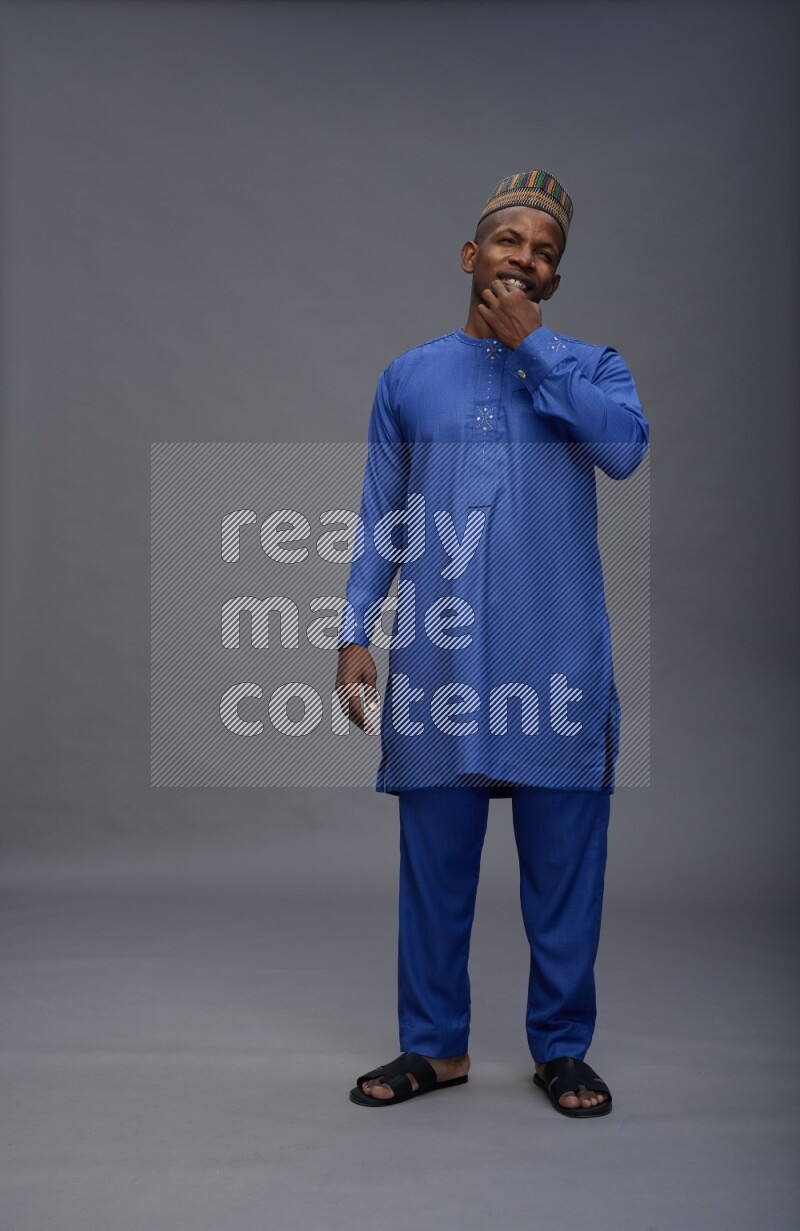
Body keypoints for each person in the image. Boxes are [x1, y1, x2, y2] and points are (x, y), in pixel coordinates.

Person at [334, 169, 649, 1117]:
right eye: (510, 241)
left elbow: (625, 451)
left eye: (545, 251)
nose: (527, 258)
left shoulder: (591, 365)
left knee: (564, 872)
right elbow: (382, 514)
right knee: (433, 869)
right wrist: (355, 629)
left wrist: (536, 352)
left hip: (556, 664)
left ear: (555, 277)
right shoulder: (410, 374)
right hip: (441, 666)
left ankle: (562, 1048)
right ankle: (435, 1048)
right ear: (472, 255)